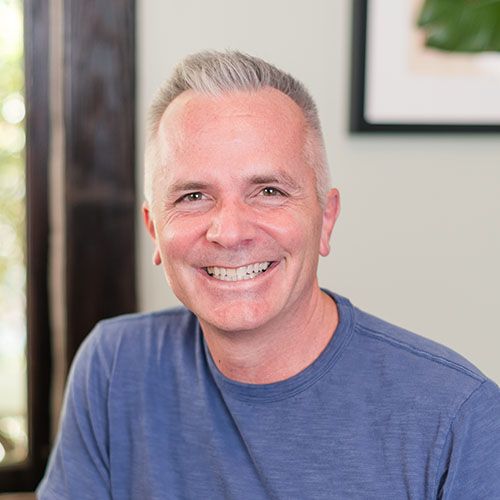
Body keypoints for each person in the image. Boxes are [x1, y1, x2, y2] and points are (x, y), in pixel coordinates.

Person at [37, 51, 500, 499]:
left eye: (269, 191)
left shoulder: (460, 418)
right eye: (193, 196)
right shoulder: (115, 368)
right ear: (154, 229)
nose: (229, 232)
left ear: (326, 218)